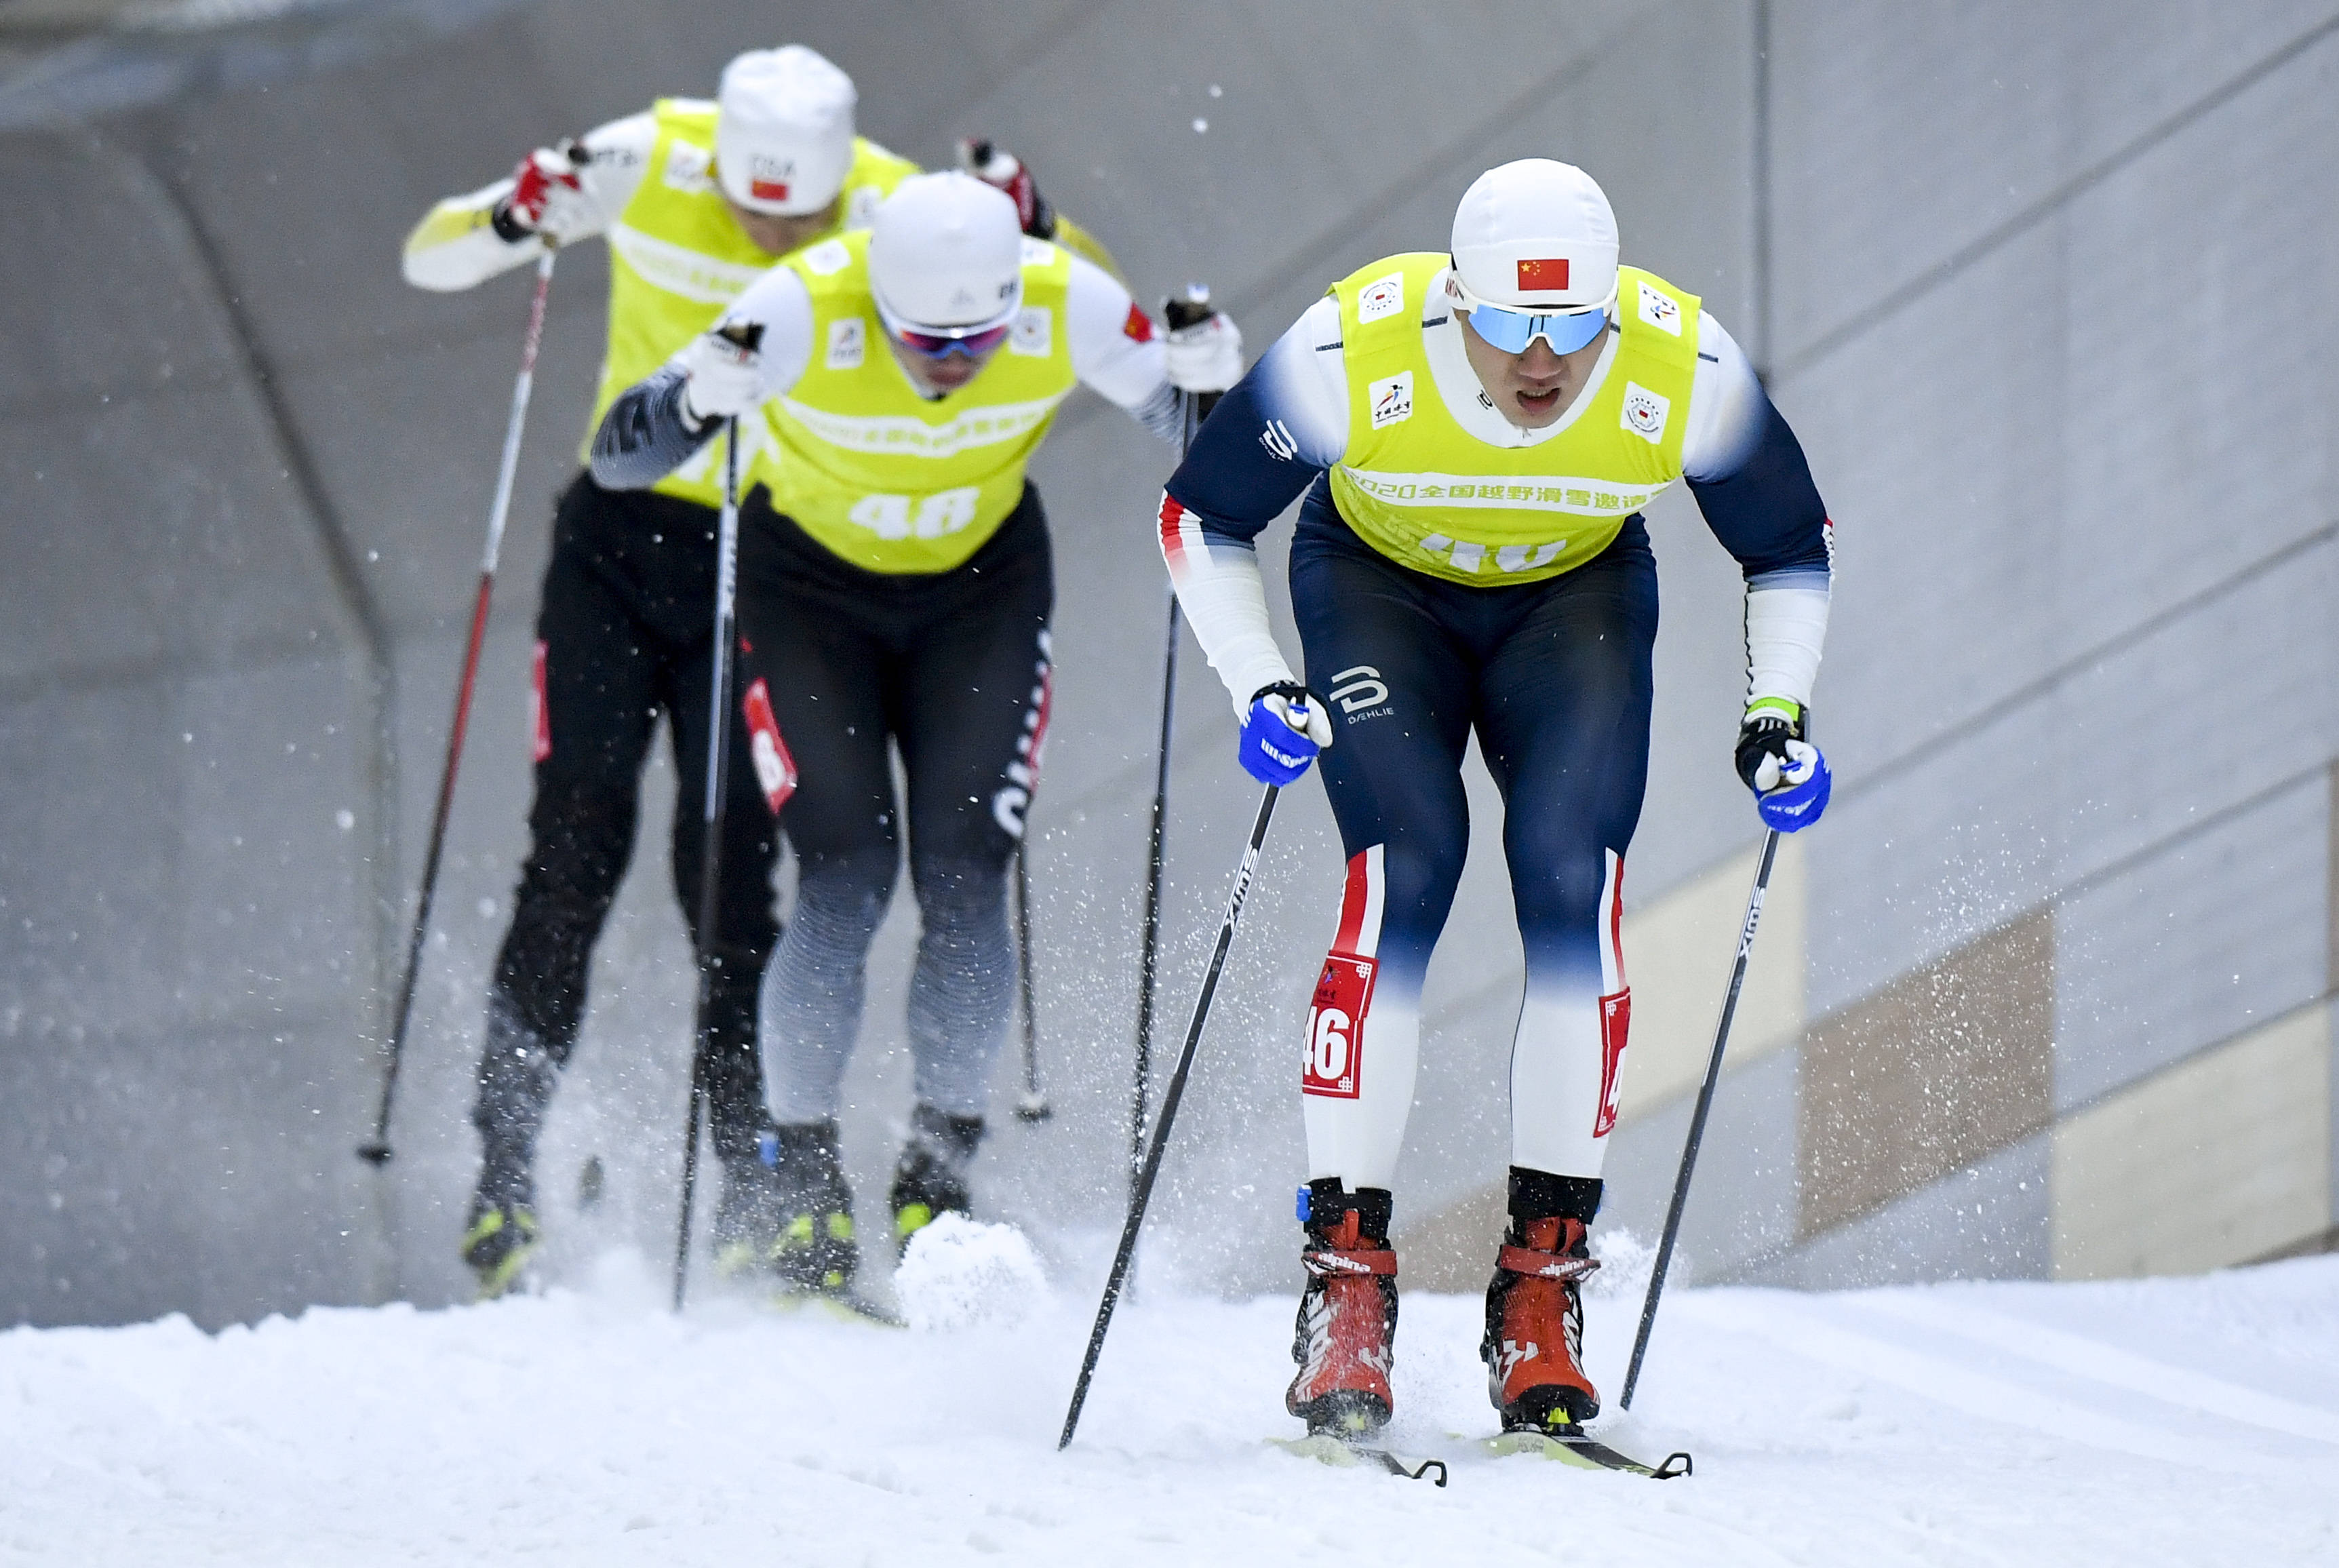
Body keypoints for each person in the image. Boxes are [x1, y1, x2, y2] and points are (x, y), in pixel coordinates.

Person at [399, 44, 1112, 1298]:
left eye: (799, 208)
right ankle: (502, 1171)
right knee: (575, 843)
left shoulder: (898, 206)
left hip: (771, 557)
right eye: (748, 199)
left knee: (727, 875)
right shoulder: (653, 152)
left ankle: (765, 1185)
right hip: (618, 553)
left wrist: (1046, 225)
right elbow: (436, 258)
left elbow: (1079, 309)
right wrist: (519, 209)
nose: (768, 222)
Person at [1155, 158, 1833, 1441]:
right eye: (1509, 326)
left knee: (1573, 884)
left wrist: (1776, 712)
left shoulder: (1679, 364)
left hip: (1569, 603)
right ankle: (1346, 1288)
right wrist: (1256, 683)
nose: (1541, 361)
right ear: (1451, 301)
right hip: (1374, 594)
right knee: (1404, 867)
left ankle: (1540, 1289)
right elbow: (1199, 516)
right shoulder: (1354, 345)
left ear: (1612, 310)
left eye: (1574, 326)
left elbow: (1789, 546)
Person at [589, 171, 1244, 1298]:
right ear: (874, 299)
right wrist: (700, 393)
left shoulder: (1068, 298)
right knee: (844, 878)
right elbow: (618, 459)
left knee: (966, 873)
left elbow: (1221, 456)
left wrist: (1215, 382)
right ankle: (800, 1180)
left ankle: (937, 1173)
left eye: (977, 338)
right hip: (809, 601)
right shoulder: (800, 304)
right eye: (921, 339)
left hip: (977, 597)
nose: (951, 362)